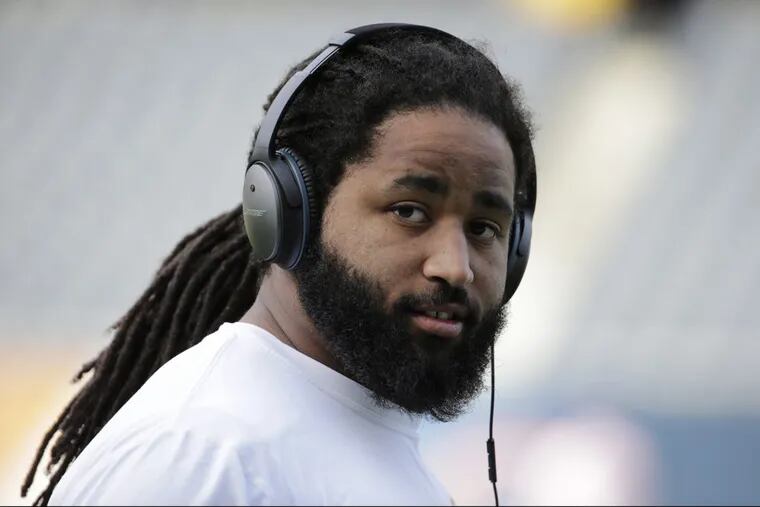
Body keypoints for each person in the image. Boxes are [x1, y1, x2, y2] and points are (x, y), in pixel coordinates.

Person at [22, 24, 536, 505]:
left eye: (484, 228)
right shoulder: (201, 450)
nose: (456, 268)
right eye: (409, 211)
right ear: (291, 215)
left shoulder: (370, 446)